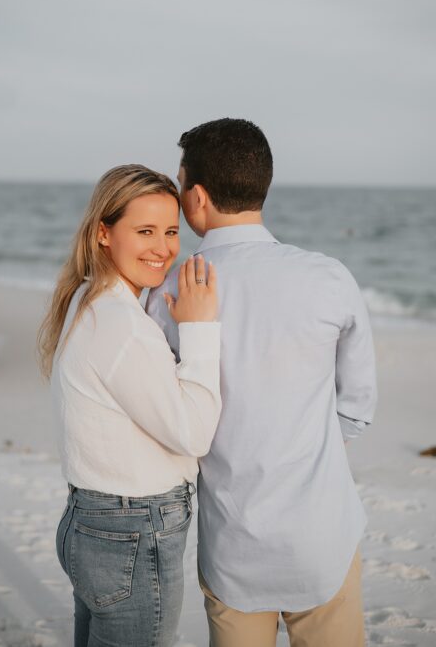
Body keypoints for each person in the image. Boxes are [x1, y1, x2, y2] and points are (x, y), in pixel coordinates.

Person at [147, 118, 378, 646]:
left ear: (197, 196)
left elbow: (170, 417)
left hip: (233, 543)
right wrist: (303, 450)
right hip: (323, 534)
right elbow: (358, 406)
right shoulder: (328, 277)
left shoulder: (166, 297)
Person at [38, 164, 222, 647]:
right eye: (144, 231)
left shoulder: (87, 297)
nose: (163, 248)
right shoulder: (121, 324)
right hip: (133, 531)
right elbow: (193, 433)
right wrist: (201, 329)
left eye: (170, 231)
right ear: (104, 232)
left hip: (95, 522)